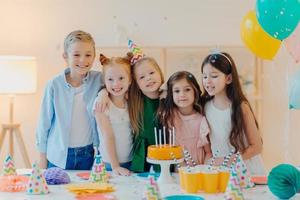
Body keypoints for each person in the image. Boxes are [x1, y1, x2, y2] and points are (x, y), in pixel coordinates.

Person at [36, 30, 102, 170]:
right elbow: (44, 123)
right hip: (58, 156)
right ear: (65, 56)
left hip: (88, 154)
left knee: (85, 191)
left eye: (88, 55)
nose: (83, 60)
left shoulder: (99, 80)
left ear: (94, 56)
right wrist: (42, 159)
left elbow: (119, 82)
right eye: (76, 55)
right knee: (58, 191)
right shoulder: (54, 85)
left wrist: (104, 94)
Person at [201, 52, 265, 175]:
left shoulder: (240, 107)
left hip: (247, 171)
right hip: (221, 171)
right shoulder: (204, 106)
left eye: (214, 76)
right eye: (204, 76)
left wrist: (227, 160)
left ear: (228, 78)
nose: (207, 81)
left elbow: (257, 147)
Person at [158, 71, 212, 165]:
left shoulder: (201, 121)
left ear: (195, 91)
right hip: (177, 173)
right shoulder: (170, 116)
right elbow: (161, 93)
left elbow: (208, 152)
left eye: (187, 89)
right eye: (177, 91)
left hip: (197, 172)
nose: (182, 94)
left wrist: (204, 170)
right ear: (171, 94)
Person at [94, 54, 133, 176]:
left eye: (121, 78)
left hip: (131, 161)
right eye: (110, 79)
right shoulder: (101, 104)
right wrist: (115, 166)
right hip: (109, 164)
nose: (116, 84)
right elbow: (108, 136)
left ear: (130, 80)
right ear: (104, 81)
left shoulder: (132, 102)